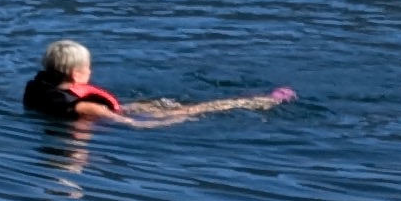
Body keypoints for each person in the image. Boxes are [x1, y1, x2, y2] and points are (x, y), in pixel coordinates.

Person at [23, 37, 294, 126]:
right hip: (114, 118)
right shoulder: (87, 106)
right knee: (196, 108)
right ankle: (258, 102)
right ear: (76, 74)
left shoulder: (39, 88)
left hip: (114, 110)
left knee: (151, 104)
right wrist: (178, 120)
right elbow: (137, 126)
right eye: (88, 67)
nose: (91, 70)